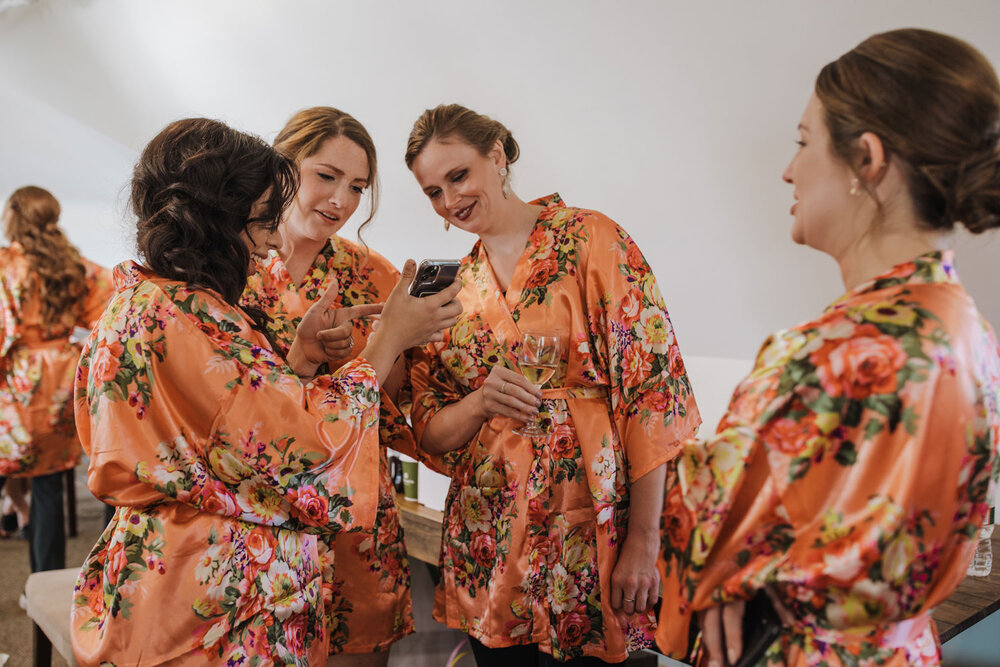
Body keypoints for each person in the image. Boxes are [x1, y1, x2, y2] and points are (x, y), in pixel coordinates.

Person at [656, 28, 1000, 667]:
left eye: (803, 141)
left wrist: (729, 567)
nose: (788, 168)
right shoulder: (968, 334)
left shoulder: (829, 354)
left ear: (867, 159)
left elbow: (693, 532)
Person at [71, 117, 462, 665]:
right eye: (264, 221)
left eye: (358, 187)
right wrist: (387, 340)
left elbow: (240, 417)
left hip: (192, 574)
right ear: (220, 215)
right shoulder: (189, 317)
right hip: (211, 597)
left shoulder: (147, 301)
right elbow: (303, 446)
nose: (276, 239)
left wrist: (300, 360)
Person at [405, 104, 701, 665]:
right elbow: (429, 432)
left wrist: (645, 538)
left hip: (593, 526)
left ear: (496, 155)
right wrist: (478, 402)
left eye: (458, 175)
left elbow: (652, 393)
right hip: (489, 536)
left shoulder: (592, 239)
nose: (449, 200)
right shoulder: (448, 290)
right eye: (433, 191)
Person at [242, 106, 422, 665]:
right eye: (326, 176)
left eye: (358, 187)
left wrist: (376, 348)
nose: (341, 200)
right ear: (283, 166)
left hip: (353, 512)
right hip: (257, 512)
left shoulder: (375, 274)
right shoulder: (233, 264)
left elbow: (394, 396)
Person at [0, 185, 112, 571]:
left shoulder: (4, 265)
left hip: (13, 384)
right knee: (48, 486)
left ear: (13, 215)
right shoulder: (72, 264)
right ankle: (43, 582)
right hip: (61, 383)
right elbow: (111, 309)